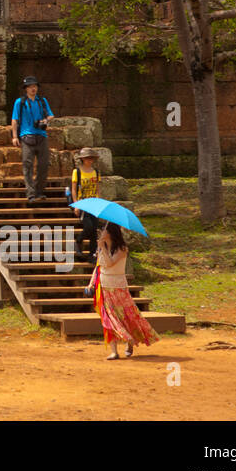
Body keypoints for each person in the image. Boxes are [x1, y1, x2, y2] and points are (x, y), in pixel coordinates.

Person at [95, 221, 158, 360]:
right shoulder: (101, 248)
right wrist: (91, 283)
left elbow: (111, 263)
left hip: (119, 287)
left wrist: (102, 248)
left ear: (111, 232)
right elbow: (99, 267)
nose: (102, 232)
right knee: (109, 318)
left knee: (126, 316)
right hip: (105, 286)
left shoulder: (122, 249)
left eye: (104, 229)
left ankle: (130, 340)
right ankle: (114, 351)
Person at [10, 75, 55, 201]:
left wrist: (44, 120)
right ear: (26, 89)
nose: (33, 89)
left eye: (34, 86)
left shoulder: (42, 101)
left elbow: (51, 115)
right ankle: (30, 194)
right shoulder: (20, 102)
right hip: (26, 136)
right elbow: (14, 119)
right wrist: (14, 136)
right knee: (27, 164)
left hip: (41, 135)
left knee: (44, 164)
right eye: (30, 87)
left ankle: (39, 191)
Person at [69, 148, 102, 255]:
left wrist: (99, 202)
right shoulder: (77, 172)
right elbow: (74, 189)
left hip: (94, 202)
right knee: (88, 226)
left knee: (94, 232)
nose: (90, 160)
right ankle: (78, 241)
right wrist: (76, 205)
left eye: (91, 158)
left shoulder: (96, 172)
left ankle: (92, 254)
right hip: (82, 203)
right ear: (82, 159)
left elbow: (98, 188)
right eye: (87, 158)